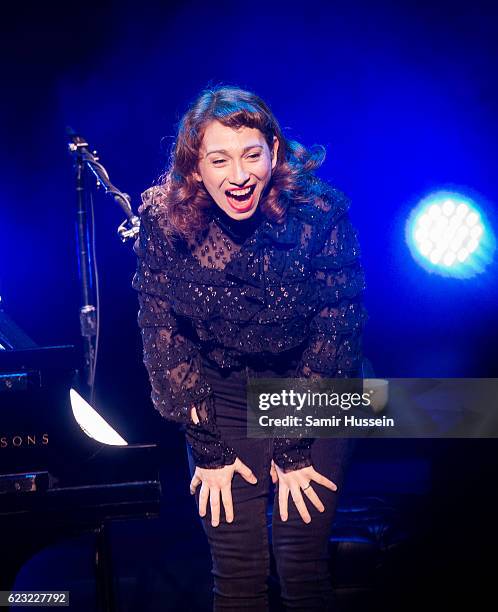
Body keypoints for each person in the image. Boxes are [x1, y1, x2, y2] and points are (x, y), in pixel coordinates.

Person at [132, 85, 367, 611]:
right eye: (220, 160)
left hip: (317, 388)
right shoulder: (164, 222)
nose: (239, 176)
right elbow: (161, 332)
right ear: (195, 168)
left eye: (252, 156)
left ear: (274, 154)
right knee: (238, 577)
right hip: (222, 393)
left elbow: (337, 332)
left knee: (302, 571)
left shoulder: (319, 215)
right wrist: (207, 445)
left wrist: (293, 445)